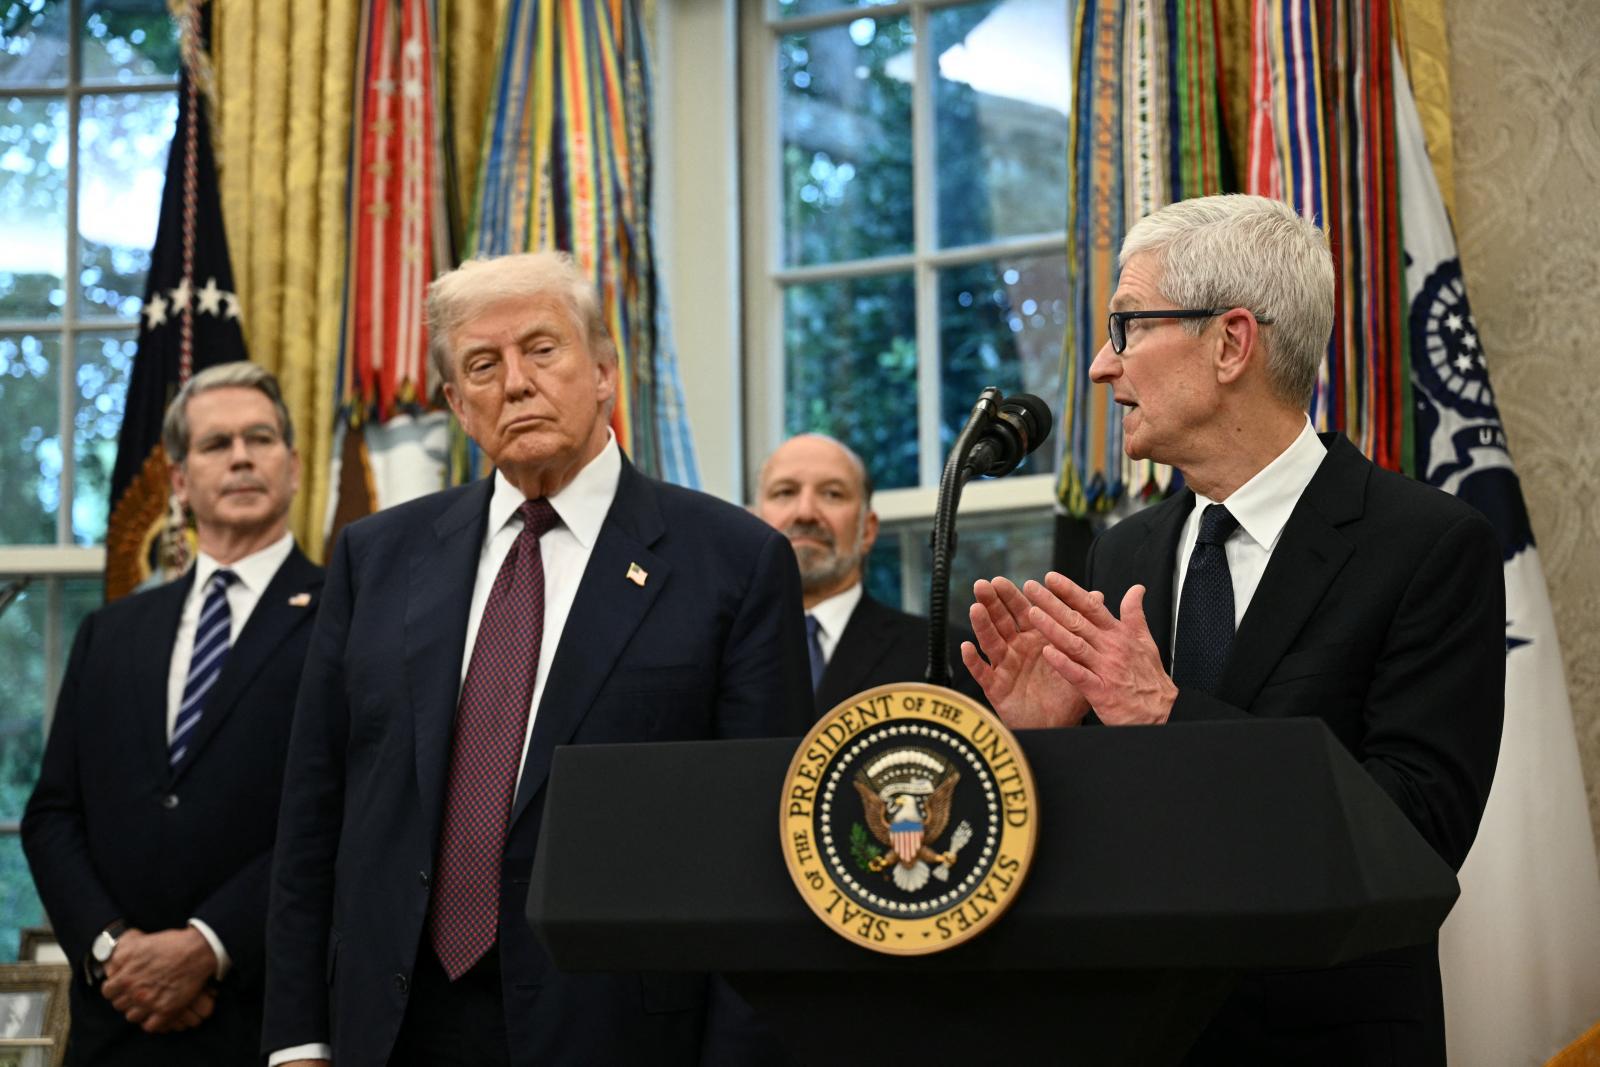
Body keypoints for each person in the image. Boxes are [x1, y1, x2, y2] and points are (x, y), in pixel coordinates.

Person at [961, 194, 1504, 1066]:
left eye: (1127, 325)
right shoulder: (1122, 553)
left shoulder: (1427, 546)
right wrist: (1047, 746)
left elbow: (1415, 834)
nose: (1102, 365)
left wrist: (1169, 715)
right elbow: (1116, 839)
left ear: (1230, 342)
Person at [263, 251, 812, 1067]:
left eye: (542, 349)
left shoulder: (733, 562)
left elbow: (764, 847)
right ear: (458, 403)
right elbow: (314, 812)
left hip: (618, 1031)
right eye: (483, 365)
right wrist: (298, 1039)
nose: (515, 383)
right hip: (392, 1027)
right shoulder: (375, 558)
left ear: (604, 372)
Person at [23, 362, 322, 1065]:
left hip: (266, 1021)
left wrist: (207, 947)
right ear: (180, 481)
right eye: (217, 444)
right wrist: (114, 950)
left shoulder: (352, 616)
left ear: (293, 466)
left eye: (260, 438)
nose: (242, 457)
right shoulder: (111, 632)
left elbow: (344, 819)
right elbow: (53, 815)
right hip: (117, 1025)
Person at [754, 432, 987, 715]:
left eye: (832, 494)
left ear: (867, 529)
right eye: (785, 492)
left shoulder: (951, 658)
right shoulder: (715, 656)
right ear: (753, 522)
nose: (806, 513)